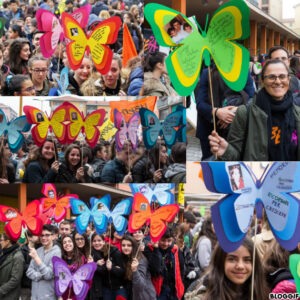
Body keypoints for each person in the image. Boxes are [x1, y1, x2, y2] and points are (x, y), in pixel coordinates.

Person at [209, 59, 300, 160]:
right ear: (262, 81)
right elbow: (235, 155)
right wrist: (226, 151)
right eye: (271, 77)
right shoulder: (245, 113)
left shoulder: (297, 114)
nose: (278, 81)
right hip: (257, 175)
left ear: (288, 79)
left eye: (282, 76)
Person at [197, 63, 254, 160]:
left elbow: (252, 98)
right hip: (210, 129)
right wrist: (217, 112)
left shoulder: (242, 72)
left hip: (237, 129)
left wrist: (235, 112)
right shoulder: (207, 73)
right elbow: (200, 104)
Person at [188, 237, 269, 299]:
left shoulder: (263, 294)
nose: (240, 266)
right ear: (220, 261)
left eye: (247, 260)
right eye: (232, 259)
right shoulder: (203, 297)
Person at [26, 224, 62, 300]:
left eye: (47, 235)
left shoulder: (57, 252)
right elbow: (29, 272)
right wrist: (41, 276)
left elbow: (49, 275)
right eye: (42, 235)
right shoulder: (38, 250)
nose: (44, 238)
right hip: (34, 296)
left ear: (53, 236)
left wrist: (36, 258)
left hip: (48, 296)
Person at [91, 233, 126, 300]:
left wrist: (112, 268)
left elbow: (122, 272)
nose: (97, 243)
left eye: (99, 240)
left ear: (104, 242)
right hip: (105, 289)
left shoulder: (114, 251)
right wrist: (95, 264)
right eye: (94, 241)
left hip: (118, 288)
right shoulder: (93, 254)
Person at [121, 235, 156, 300]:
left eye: (129, 245)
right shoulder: (126, 258)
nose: (126, 248)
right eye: (123, 245)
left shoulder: (141, 260)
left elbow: (140, 286)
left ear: (134, 247)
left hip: (145, 296)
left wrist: (135, 270)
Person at [60, 234, 92, 299]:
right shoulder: (61, 260)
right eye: (64, 242)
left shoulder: (82, 259)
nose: (67, 244)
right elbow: (61, 279)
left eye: (69, 241)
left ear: (74, 243)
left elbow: (87, 281)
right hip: (65, 296)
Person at [0, 233, 25, 300]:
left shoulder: (18, 256)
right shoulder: (3, 253)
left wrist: (1, 290)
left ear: (7, 241)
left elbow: (15, 279)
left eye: (1, 240)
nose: (0, 242)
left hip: (9, 295)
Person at [21, 231, 40, 300]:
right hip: (26, 285)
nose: (38, 237)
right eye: (36, 235)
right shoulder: (23, 250)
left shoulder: (40, 248)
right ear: (30, 238)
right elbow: (22, 266)